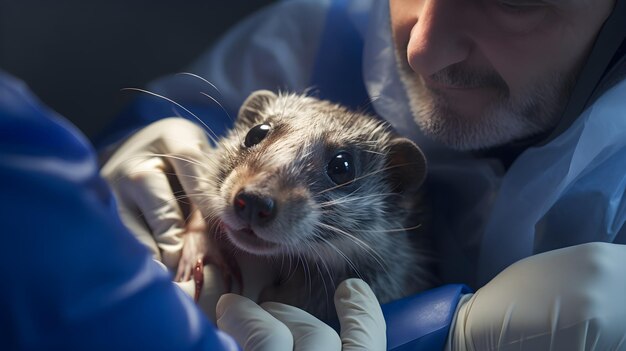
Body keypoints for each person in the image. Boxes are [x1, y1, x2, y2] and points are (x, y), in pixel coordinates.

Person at [2, 0, 626, 350]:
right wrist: (127, 171)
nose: (421, 50)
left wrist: (441, 334)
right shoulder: (326, 31)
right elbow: (200, 111)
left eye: (514, 1)